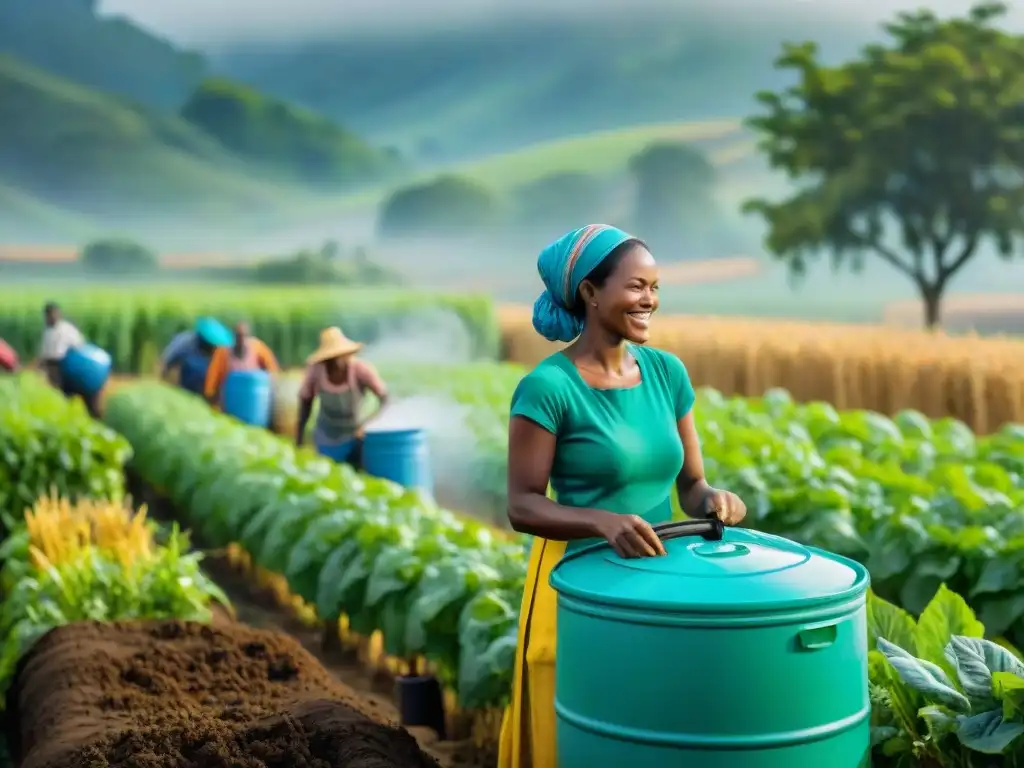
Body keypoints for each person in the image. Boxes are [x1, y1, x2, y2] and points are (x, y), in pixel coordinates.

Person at [498, 224, 748, 767]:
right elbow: (521, 504)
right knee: (578, 724)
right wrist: (602, 522)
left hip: (658, 575)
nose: (650, 300)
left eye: (655, 287)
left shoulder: (666, 373)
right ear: (590, 292)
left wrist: (715, 501)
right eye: (636, 286)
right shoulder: (549, 387)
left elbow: (691, 486)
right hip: (576, 582)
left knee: (648, 722)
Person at [296, 326, 389, 468]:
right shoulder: (317, 371)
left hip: (355, 435)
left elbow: (385, 399)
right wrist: (299, 438)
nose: (333, 363)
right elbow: (305, 402)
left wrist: (366, 425)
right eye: (329, 359)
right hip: (326, 435)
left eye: (337, 357)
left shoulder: (360, 370)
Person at [37, 302, 100, 417]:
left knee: (82, 397)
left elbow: (80, 346)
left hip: (66, 367)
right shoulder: (47, 332)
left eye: (53, 314)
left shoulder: (67, 329)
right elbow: (44, 353)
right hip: (53, 368)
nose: (51, 318)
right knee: (59, 397)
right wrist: (40, 366)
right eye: (48, 315)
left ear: (58, 314)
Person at [203, 321, 279, 405]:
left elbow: (272, 368)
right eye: (238, 336)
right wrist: (210, 395)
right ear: (233, 337)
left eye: (244, 336)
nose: (241, 340)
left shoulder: (257, 348)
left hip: (254, 399)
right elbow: (212, 377)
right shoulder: (223, 353)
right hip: (230, 397)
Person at [160, 317, 234, 395]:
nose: (211, 348)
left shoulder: (218, 352)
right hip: (184, 384)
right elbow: (167, 360)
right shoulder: (185, 342)